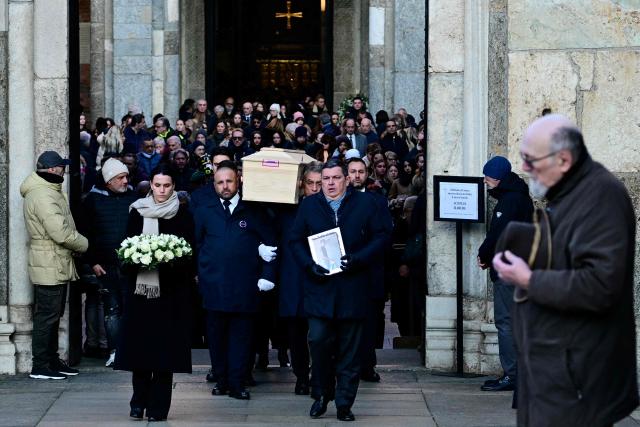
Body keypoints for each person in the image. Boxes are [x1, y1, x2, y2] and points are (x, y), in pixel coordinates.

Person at [492, 114, 638, 426]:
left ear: (564, 159)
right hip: (559, 375)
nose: (526, 169)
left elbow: (601, 285)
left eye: (532, 160)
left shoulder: (600, 195)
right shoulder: (572, 193)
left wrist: (528, 278)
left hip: (580, 380)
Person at [290, 160, 388, 421]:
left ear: (346, 179)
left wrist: (360, 258)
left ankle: (345, 402)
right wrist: (309, 266)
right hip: (319, 287)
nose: (330, 184)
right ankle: (321, 393)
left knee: (350, 350)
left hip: (353, 288)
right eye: (325, 179)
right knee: (319, 341)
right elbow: (295, 240)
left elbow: (381, 237)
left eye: (335, 178)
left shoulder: (366, 204)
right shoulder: (309, 205)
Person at [114, 165, 195, 422]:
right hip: (141, 293)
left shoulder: (182, 214)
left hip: (170, 294)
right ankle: (138, 402)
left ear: (174, 187)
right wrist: (139, 258)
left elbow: (190, 252)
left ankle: (159, 407)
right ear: (151, 184)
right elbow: (125, 248)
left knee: (164, 353)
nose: (161, 190)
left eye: (167, 185)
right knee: (140, 351)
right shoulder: (137, 211)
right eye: (157, 185)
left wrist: (170, 260)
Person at [191, 161, 276, 400]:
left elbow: (270, 245)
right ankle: (221, 381)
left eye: (229, 181)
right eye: (220, 182)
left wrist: (267, 275)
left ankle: (238, 383)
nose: (225, 186)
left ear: (238, 181)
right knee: (216, 338)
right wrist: (201, 272)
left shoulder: (254, 210)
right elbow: (196, 245)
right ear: (214, 184)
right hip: (214, 285)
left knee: (242, 337)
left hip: (245, 285)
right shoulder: (205, 211)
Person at [21, 151, 88, 379]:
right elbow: (60, 232)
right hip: (49, 260)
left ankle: (51, 361)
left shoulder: (48, 191)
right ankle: (40, 365)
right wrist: (85, 244)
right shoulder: (42, 195)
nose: (64, 170)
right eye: (61, 166)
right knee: (47, 316)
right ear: (52, 170)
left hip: (54, 260)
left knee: (53, 314)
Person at [476, 156, 533, 392]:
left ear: (497, 178)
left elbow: (498, 234)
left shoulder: (509, 201)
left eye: (488, 178)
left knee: (506, 323)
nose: (486, 182)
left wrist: (484, 254)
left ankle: (513, 375)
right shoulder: (520, 196)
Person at [80, 158, 138, 367]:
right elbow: (85, 233)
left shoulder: (133, 198)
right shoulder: (92, 201)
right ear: (109, 181)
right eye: (120, 178)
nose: (125, 181)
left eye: (126, 177)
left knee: (131, 309)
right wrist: (93, 262)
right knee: (112, 310)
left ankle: (131, 348)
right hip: (105, 265)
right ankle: (115, 350)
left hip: (130, 264)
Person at [346, 158, 393, 382]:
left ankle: (367, 364)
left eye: (360, 171)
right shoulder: (339, 199)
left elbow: (386, 235)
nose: (356, 176)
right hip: (345, 270)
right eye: (352, 172)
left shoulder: (377, 200)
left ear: (367, 173)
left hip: (371, 269)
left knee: (370, 320)